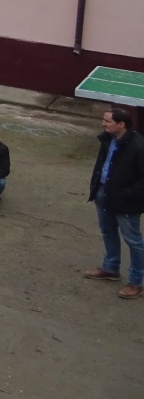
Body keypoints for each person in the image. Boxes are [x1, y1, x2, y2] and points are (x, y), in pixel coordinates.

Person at [85, 108, 144, 299]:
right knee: (108, 231)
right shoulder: (108, 139)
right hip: (103, 192)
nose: (103, 124)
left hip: (126, 202)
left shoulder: (139, 146)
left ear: (121, 124)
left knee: (133, 241)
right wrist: (96, 186)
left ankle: (137, 282)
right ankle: (110, 268)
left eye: (108, 121)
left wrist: (125, 195)